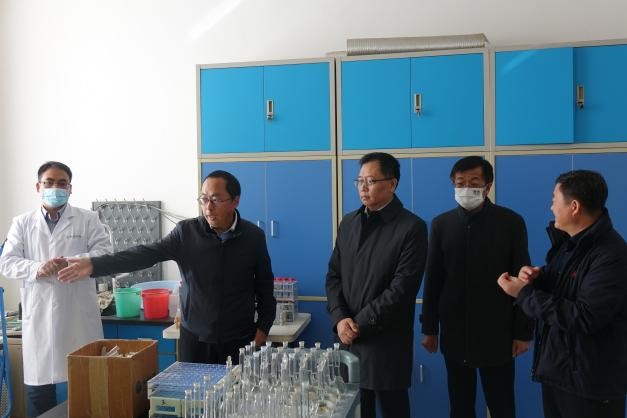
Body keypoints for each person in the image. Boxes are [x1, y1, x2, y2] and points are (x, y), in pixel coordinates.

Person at [58, 170, 276, 365]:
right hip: (195, 340)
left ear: (235, 201)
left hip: (240, 340)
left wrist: (263, 329)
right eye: (204, 199)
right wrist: (95, 264)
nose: (208, 207)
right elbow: (145, 254)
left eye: (216, 200)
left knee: (239, 395)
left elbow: (265, 286)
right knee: (193, 397)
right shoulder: (187, 232)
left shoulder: (253, 236)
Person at [498, 170, 627, 418]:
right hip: (561, 374)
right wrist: (536, 279)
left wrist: (524, 294)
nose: (551, 207)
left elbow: (584, 316)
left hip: (590, 385)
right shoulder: (570, 245)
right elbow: (565, 289)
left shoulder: (610, 255)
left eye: (554, 199)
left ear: (574, 207)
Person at [421, 156, 533, 418]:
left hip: (498, 333)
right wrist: (429, 328)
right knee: (460, 406)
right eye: (460, 183)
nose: (466, 188)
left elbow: (523, 280)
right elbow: (433, 279)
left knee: (502, 406)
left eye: (474, 183)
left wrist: (523, 332)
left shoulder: (511, 222)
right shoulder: (441, 224)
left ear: (488, 186)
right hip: (455, 332)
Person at [0, 161, 112, 417]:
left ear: (70, 189)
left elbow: (105, 254)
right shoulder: (22, 223)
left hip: (78, 316)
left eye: (62, 183)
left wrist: (75, 262)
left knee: (85, 387)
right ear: (38, 186)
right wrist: (38, 268)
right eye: (49, 182)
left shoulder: (88, 219)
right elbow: (7, 262)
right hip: (39, 317)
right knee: (39, 391)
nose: (56, 188)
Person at [326, 152, 428, 418]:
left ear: (392, 184)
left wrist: (358, 325)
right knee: (352, 410)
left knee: (393, 410)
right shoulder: (349, 222)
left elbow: (402, 289)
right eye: (359, 181)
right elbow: (334, 276)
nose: (363, 187)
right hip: (347, 340)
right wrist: (340, 318)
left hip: (385, 344)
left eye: (370, 181)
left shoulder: (411, 227)